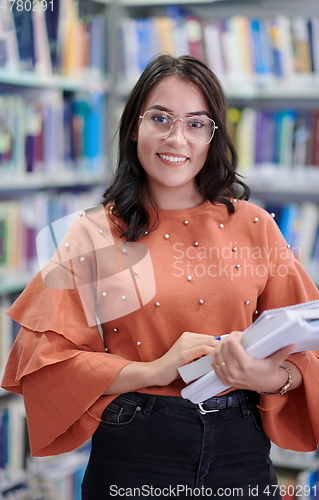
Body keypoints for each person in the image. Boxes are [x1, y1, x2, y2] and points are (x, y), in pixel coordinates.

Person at [2, 54, 319, 500]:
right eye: (161, 118)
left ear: (213, 136)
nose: (176, 138)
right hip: (136, 448)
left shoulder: (254, 224)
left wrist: (266, 378)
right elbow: (47, 363)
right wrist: (156, 368)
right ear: (135, 125)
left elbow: (310, 344)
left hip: (241, 447)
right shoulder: (94, 234)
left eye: (196, 123)